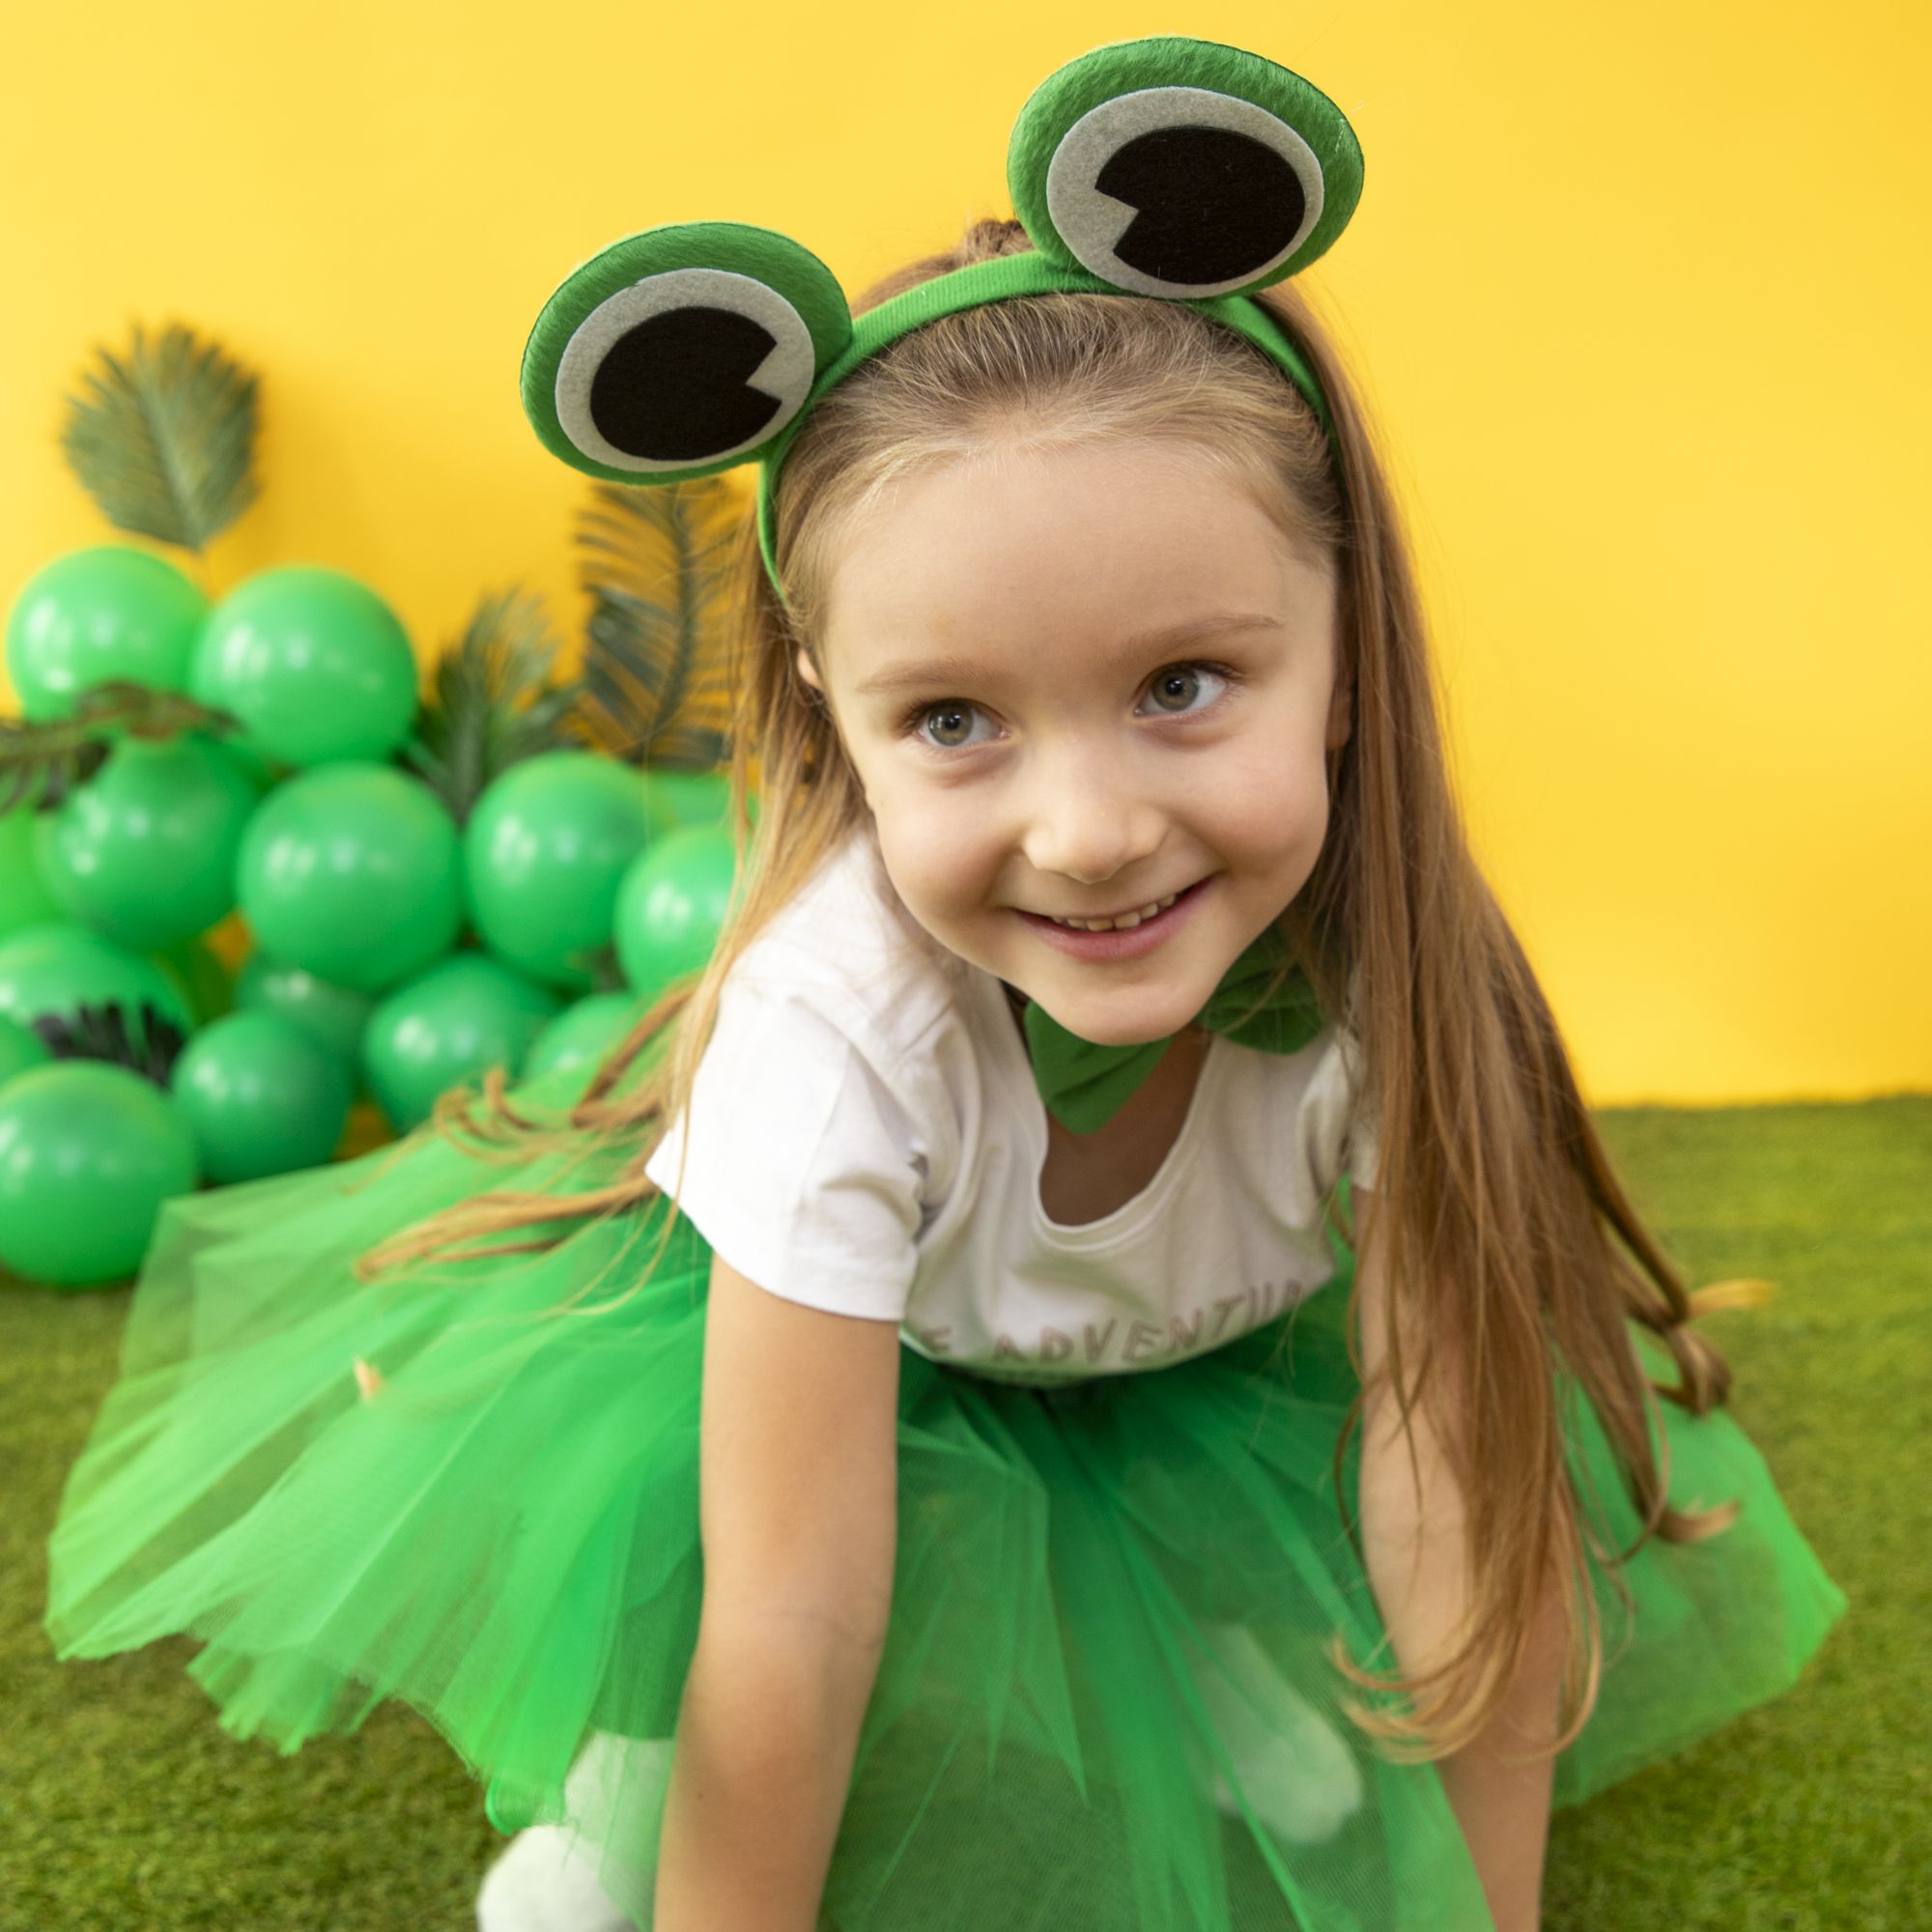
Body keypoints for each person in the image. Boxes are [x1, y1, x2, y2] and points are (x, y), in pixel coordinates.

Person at [43, 34, 1845, 1932]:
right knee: (704, 1646)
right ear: (833, 700)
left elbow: (1447, 1488)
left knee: (1312, 1575)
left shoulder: (1394, 967)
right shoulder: (834, 1031)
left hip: (1182, 1365)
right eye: (956, 721)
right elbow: (795, 1610)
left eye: (1182, 686)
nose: (1090, 832)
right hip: (853, 1406)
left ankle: (1214, 1660)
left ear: (1344, 647)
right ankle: (618, 1794)